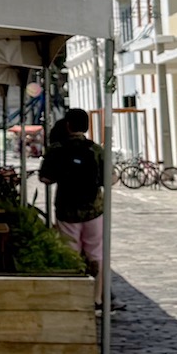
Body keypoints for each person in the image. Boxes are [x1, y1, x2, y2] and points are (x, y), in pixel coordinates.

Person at [40, 109, 107, 271]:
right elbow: (109, 178)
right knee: (96, 253)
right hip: (94, 208)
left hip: (66, 208)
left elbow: (45, 178)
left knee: (70, 252)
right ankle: (98, 286)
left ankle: (76, 281)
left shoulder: (56, 149)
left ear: (68, 125)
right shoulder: (95, 149)